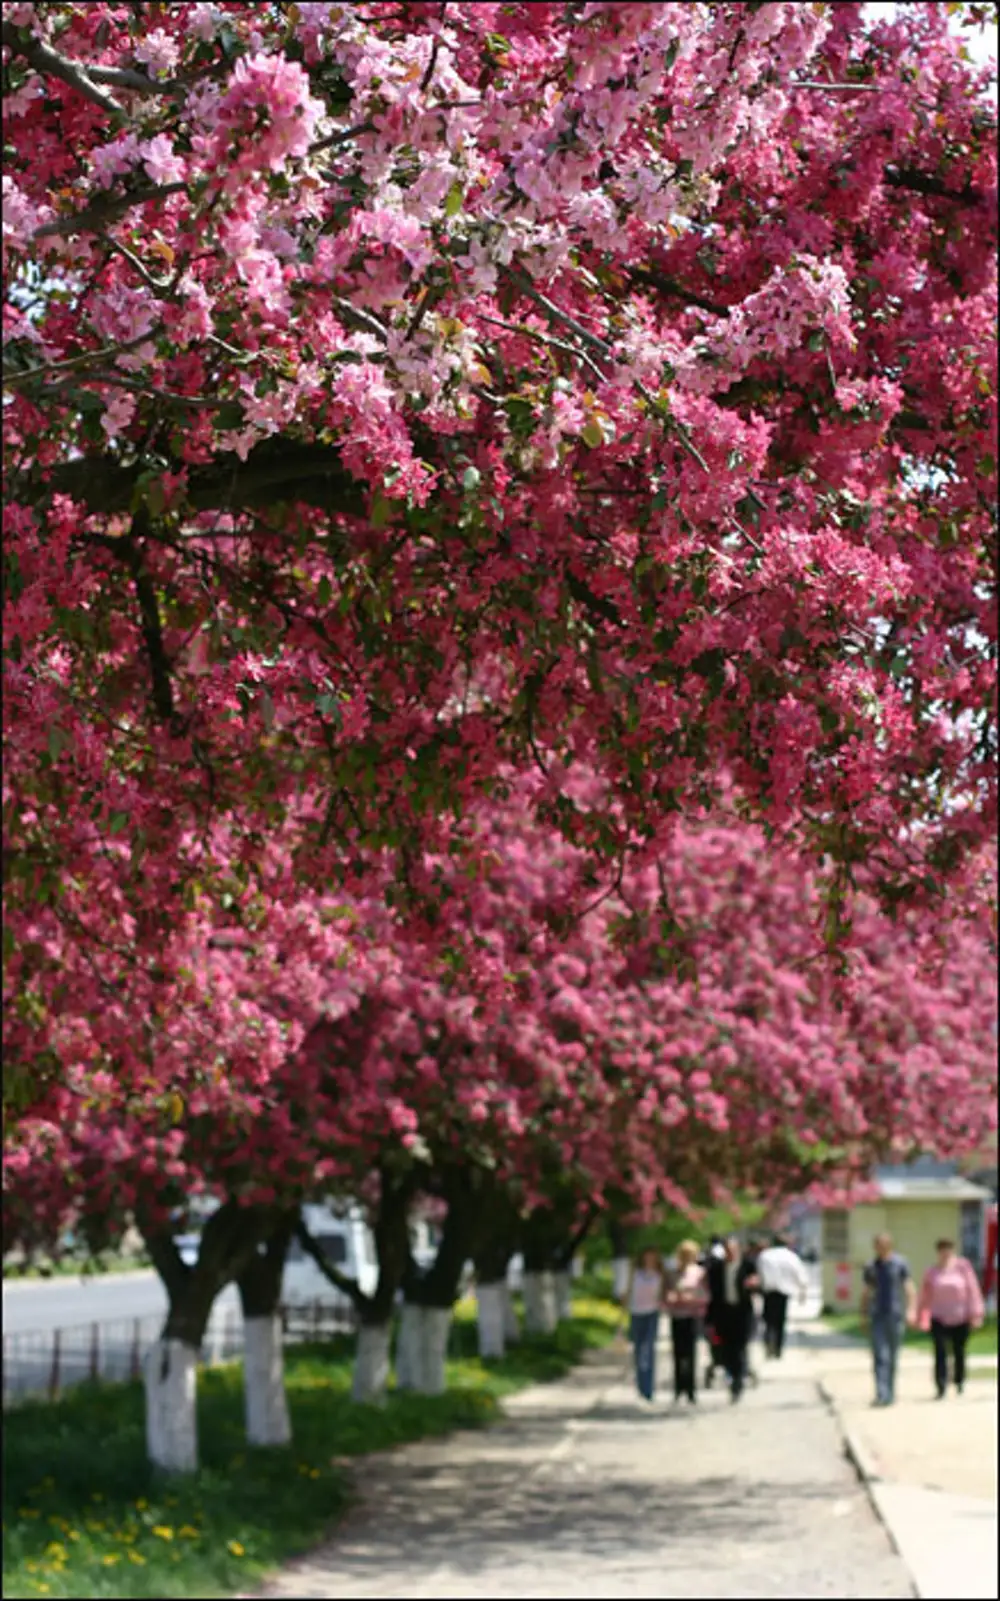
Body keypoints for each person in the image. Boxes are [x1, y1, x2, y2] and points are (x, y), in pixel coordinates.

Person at [917, 1237, 985, 1398]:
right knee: (940, 1351)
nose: (945, 1253)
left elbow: (973, 1291)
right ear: (938, 1252)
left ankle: (959, 1380)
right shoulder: (932, 1272)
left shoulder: (963, 1268)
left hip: (961, 1316)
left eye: (948, 1249)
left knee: (959, 1351)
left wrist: (976, 1314)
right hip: (938, 1317)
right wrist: (920, 1315)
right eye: (942, 1250)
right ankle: (941, 1385)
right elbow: (924, 1296)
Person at [861, 1232, 917, 1406]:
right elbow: (867, 1292)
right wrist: (863, 1314)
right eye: (878, 1245)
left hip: (895, 1314)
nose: (881, 1248)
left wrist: (911, 1310)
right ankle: (881, 1393)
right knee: (879, 1355)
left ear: (890, 1245)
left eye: (884, 1244)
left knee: (892, 1355)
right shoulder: (871, 1266)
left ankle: (890, 1393)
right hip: (877, 1314)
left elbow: (909, 1288)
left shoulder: (900, 1264)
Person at [705, 1235, 758, 1401]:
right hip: (723, 1313)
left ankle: (738, 1382)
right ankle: (732, 1374)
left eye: (733, 1250)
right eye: (727, 1251)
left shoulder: (748, 1266)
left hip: (742, 1313)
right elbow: (711, 1293)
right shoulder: (716, 1268)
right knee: (726, 1349)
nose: (730, 1254)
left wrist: (754, 1284)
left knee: (740, 1348)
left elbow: (758, 1284)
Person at [663, 1239, 708, 1404]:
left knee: (691, 1353)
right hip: (677, 1315)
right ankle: (678, 1388)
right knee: (678, 1353)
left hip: (692, 1315)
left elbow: (705, 1295)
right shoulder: (672, 1273)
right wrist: (672, 1298)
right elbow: (666, 1293)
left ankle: (691, 1389)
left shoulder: (699, 1273)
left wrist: (691, 1298)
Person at [621, 1245, 666, 1402]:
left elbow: (663, 1294)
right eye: (647, 1256)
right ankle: (641, 1385)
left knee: (648, 1349)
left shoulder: (659, 1274)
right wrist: (622, 1313)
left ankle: (649, 1388)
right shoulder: (636, 1273)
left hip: (651, 1313)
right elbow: (627, 1292)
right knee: (638, 1350)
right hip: (636, 1313)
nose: (650, 1259)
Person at [756, 1232, 810, 1359]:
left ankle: (769, 1345)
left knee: (769, 1322)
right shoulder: (790, 1256)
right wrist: (803, 1293)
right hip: (783, 1294)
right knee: (780, 1322)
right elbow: (800, 1276)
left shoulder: (764, 1256)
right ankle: (778, 1349)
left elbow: (759, 1274)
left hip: (768, 1292)